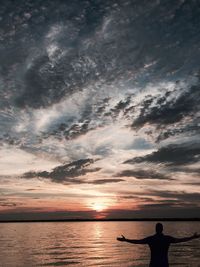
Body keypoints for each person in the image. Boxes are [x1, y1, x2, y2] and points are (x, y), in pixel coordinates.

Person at [117, 223, 200, 267]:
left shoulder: (151, 239)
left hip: (153, 264)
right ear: (162, 229)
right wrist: (193, 237)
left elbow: (138, 242)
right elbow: (181, 240)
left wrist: (126, 240)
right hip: (164, 264)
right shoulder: (167, 239)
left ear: (155, 229)